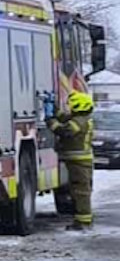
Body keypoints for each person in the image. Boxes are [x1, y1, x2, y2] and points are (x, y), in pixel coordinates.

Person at [48, 91, 95, 229]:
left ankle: (83, 221)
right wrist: (55, 109)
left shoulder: (79, 122)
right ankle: (83, 219)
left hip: (79, 162)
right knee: (79, 190)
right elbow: (65, 118)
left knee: (80, 191)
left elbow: (64, 131)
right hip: (80, 161)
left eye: (72, 105)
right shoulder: (82, 119)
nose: (70, 108)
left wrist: (51, 121)